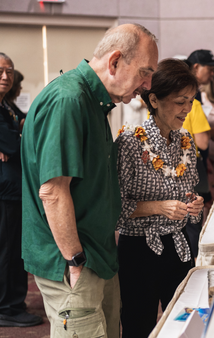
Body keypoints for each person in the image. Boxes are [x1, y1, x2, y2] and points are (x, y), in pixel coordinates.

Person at [21, 24, 158, 337]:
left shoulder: (94, 102)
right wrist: (75, 261)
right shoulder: (69, 100)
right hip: (75, 261)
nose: (148, 85)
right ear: (114, 62)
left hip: (97, 255)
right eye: (145, 73)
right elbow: (53, 192)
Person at [116, 59, 204, 338]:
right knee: (138, 324)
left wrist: (194, 205)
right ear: (154, 99)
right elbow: (114, 208)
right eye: (180, 102)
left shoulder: (186, 141)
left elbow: (189, 192)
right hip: (139, 250)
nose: (187, 110)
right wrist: (159, 208)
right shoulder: (130, 142)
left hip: (178, 246)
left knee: (182, 323)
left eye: (190, 101)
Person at [0, 53, 42, 328]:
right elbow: (15, 146)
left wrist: (17, 135)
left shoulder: (7, 106)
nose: (5, 76)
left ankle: (14, 302)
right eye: (0, 71)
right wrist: (17, 137)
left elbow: (31, 131)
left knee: (15, 251)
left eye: (10, 71)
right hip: (4, 193)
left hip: (15, 190)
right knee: (5, 251)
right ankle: (6, 307)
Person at [182, 49, 214, 259]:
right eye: (209, 69)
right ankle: (192, 266)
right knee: (193, 221)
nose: (212, 74)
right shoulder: (192, 103)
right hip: (190, 165)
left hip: (166, 166)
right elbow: (203, 142)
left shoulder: (158, 105)